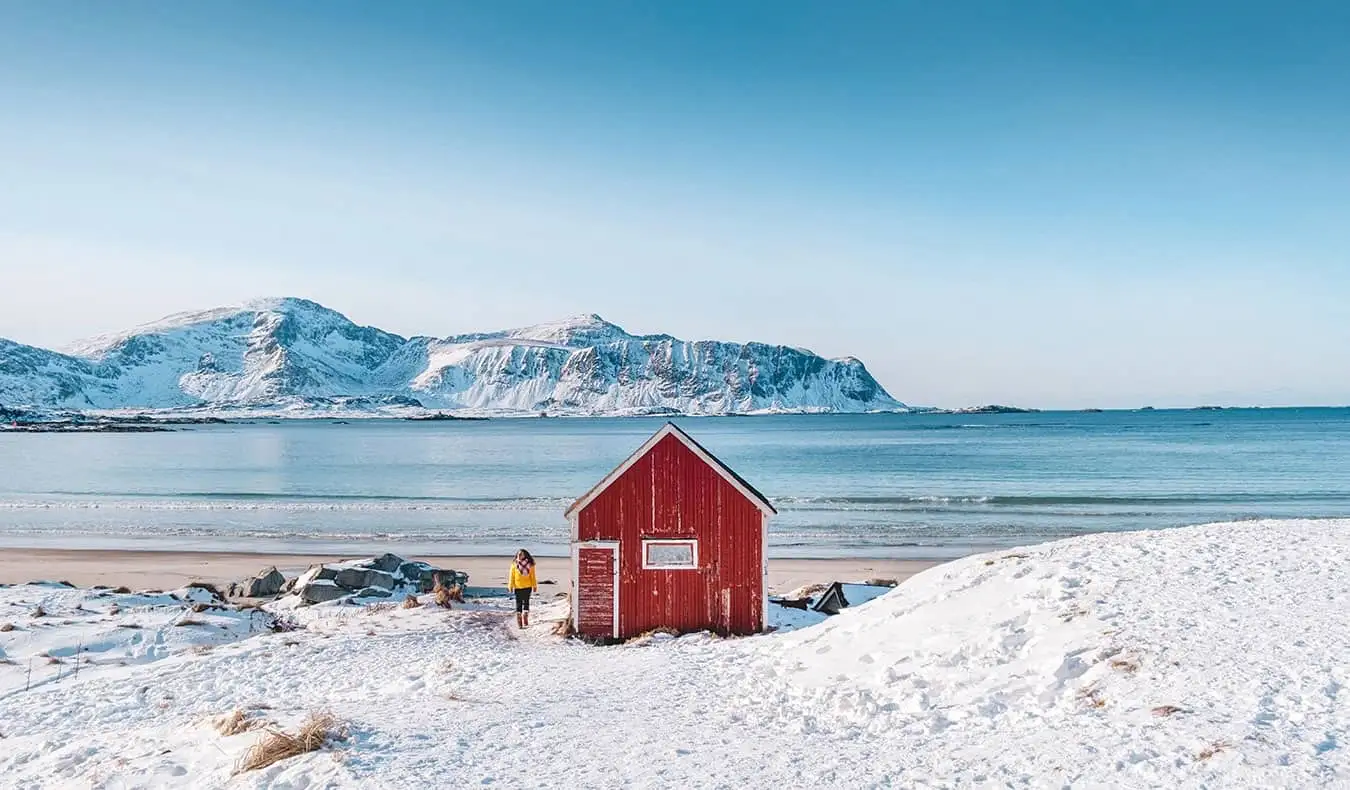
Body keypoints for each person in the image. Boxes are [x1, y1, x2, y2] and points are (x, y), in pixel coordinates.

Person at [507, 549, 538, 629]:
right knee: (518, 603)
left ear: (525, 555)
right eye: (519, 554)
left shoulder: (530, 564)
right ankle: (519, 619)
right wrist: (510, 586)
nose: (520, 556)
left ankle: (525, 616)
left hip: (527, 586)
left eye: (522, 554)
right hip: (518, 587)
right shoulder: (514, 564)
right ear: (517, 555)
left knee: (526, 602)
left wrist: (534, 586)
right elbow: (511, 576)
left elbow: (533, 576)